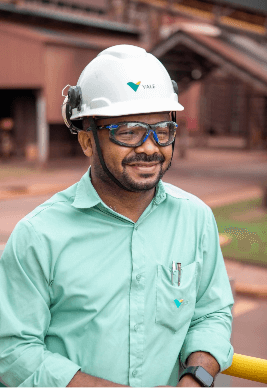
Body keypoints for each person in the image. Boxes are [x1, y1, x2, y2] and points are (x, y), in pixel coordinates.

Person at [0, 45, 234, 388]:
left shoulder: (195, 219)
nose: (151, 147)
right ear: (87, 141)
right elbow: (13, 351)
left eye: (162, 130)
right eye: (128, 131)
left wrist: (195, 378)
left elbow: (211, 314)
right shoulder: (39, 235)